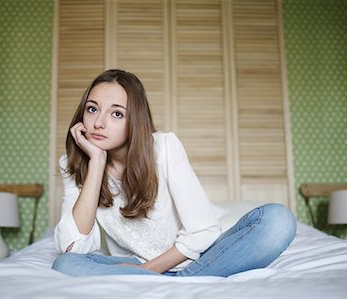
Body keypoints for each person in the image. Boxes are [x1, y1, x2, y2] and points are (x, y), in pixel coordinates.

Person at [52, 69, 296, 277]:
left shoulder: (164, 147)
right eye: (92, 109)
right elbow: (73, 248)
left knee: (278, 220)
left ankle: (175, 281)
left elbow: (203, 231)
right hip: (134, 265)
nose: (98, 123)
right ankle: (184, 283)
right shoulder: (73, 164)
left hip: (200, 257)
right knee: (65, 263)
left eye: (116, 113)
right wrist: (96, 163)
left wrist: (148, 271)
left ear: (134, 120)